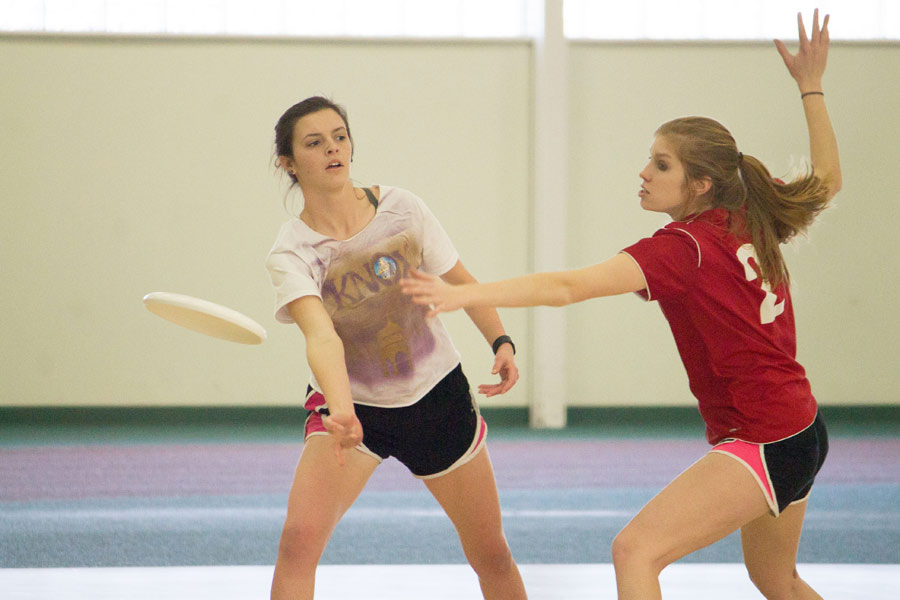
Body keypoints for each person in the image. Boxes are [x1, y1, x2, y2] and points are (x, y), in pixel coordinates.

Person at [401, 10, 840, 600]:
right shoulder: (746, 216)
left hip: (764, 437)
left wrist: (464, 294)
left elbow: (566, 287)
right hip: (802, 426)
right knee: (775, 579)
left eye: (661, 164)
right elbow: (828, 181)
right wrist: (811, 86)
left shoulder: (683, 247)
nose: (643, 172)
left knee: (636, 550)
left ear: (701, 183)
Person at [264, 95, 528, 600]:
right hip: (352, 411)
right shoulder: (291, 251)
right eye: (314, 143)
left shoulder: (402, 209)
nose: (332, 149)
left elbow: (460, 281)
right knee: (297, 544)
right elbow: (320, 336)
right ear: (288, 162)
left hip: (437, 398)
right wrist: (340, 411)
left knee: (491, 552)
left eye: (339, 137)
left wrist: (501, 339)